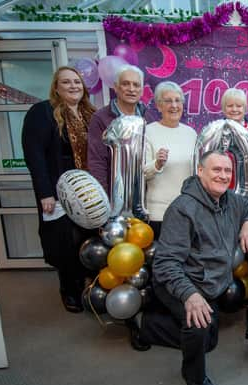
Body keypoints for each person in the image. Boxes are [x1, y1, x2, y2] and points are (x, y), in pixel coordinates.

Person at [146, 151, 248, 385]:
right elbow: (166, 264)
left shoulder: (230, 200)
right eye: (216, 170)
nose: (223, 176)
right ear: (200, 171)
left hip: (210, 280)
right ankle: (193, 375)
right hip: (180, 281)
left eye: (227, 171)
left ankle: (150, 324)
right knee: (199, 325)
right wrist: (189, 294)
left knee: (210, 340)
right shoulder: (183, 209)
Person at [21, 66, 96, 313]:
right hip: (58, 192)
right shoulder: (43, 112)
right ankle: (69, 290)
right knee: (65, 242)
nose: (73, 86)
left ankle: (87, 284)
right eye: (66, 82)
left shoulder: (89, 114)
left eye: (77, 82)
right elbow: (35, 156)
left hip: (88, 192)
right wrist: (45, 193)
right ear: (56, 87)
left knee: (87, 239)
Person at [88, 64, 156, 195]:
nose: (131, 89)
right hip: (114, 193)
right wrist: (103, 195)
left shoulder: (148, 117)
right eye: (126, 84)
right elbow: (96, 161)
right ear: (116, 87)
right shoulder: (101, 118)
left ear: (141, 90)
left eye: (136, 85)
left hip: (143, 192)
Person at [143, 81, 197, 240]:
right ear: (159, 106)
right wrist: (157, 164)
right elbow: (141, 173)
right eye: (168, 101)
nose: (174, 105)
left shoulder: (191, 133)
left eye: (177, 100)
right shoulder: (148, 132)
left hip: (188, 212)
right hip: (160, 213)